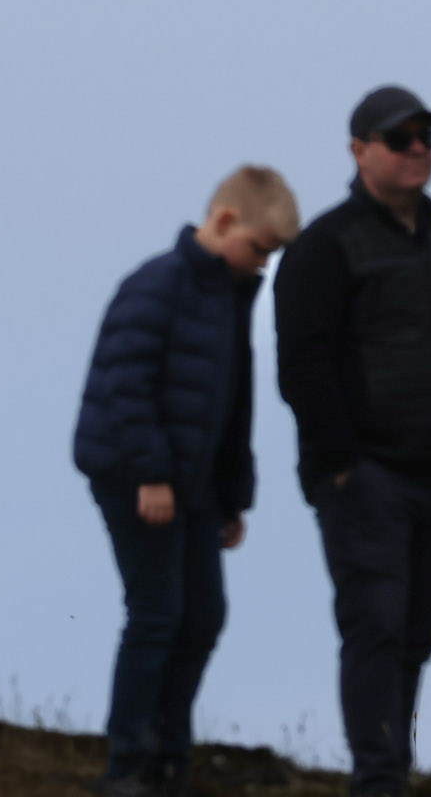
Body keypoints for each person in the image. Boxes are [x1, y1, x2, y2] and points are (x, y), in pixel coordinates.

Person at [274, 85, 431, 797]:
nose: (418, 149)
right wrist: (341, 465)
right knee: (376, 627)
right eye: (400, 139)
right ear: (359, 151)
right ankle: (378, 780)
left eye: (427, 137)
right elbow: (301, 360)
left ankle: (393, 768)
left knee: (416, 637)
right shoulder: (324, 245)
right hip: (367, 479)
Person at [73, 164, 300, 797]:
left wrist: (233, 497)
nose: (262, 264)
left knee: (203, 614)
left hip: (195, 488)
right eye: (259, 249)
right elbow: (125, 383)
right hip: (135, 479)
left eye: (272, 255)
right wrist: (149, 475)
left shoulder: (229, 297)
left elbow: (231, 406)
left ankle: (169, 760)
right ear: (224, 221)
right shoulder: (157, 285)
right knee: (157, 611)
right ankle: (128, 762)